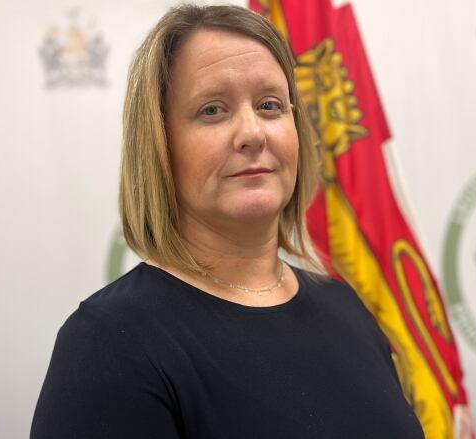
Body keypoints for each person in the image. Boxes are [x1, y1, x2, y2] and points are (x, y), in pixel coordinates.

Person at [31, 5, 425, 438]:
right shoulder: (108, 343)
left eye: (270, 105)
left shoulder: (345, 307)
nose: (253, 133)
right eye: (212, 110)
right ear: (159, 145)